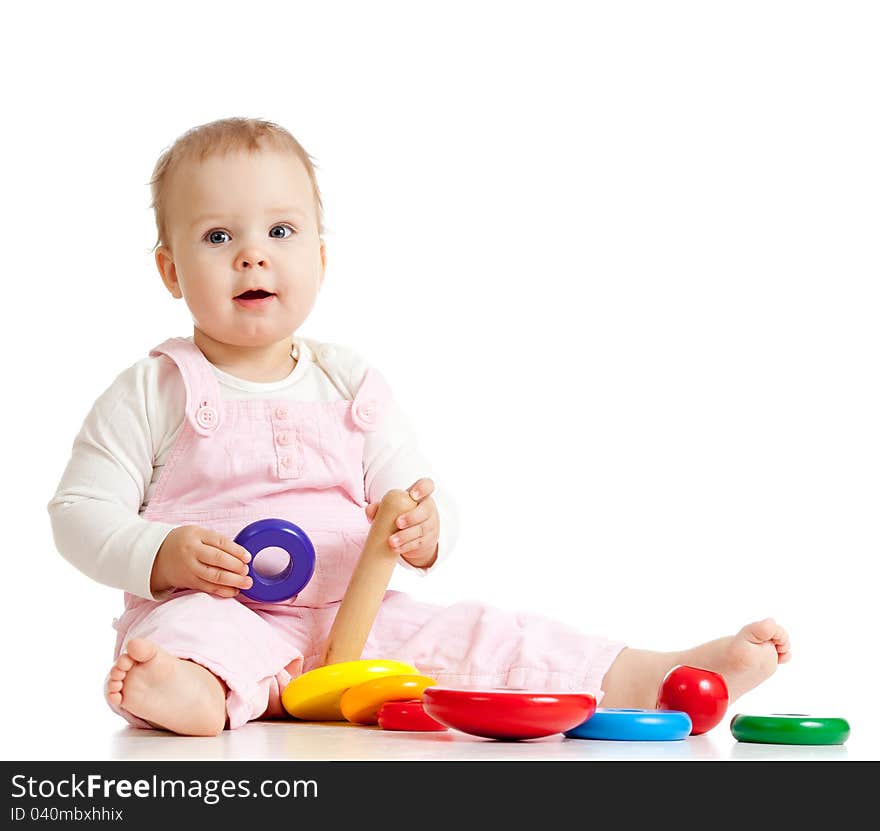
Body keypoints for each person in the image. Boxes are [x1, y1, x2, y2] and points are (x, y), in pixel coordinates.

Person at [48, 117, 791, 737]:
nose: (253, 253)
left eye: (281, 230)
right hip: (222, 614)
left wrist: (426, 530)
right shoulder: (154, 389)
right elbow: (78, 514)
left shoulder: (351, 385)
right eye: (217, 237)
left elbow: (414, 490)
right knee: (184, 639)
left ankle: (657, 674)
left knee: (487, 635)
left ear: (320, 257)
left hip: (357, 619)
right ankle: (185, 694)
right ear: (170, 272)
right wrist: (162, 553)